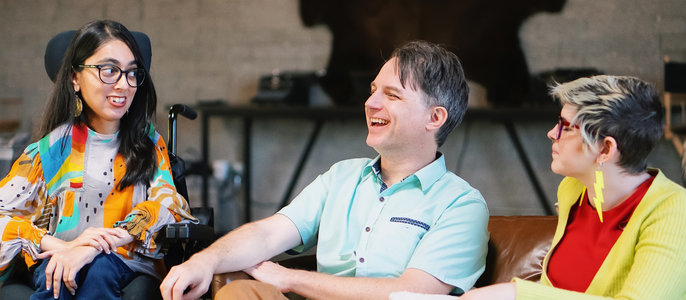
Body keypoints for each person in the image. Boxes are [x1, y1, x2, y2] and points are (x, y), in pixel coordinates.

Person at [160, 40, 489, 300]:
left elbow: (413, 293)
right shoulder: (341, 177)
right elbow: (268, 233)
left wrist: (292, 278)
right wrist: (205, 261)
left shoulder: (461, 205)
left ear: (435, 118)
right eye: (373, 90)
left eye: (392, 95)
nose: (371, 103)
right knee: (238, 292)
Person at [0, 20, 196, 300]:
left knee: (99, 268)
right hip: (60, 262)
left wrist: (95, 246)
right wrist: (60, 246)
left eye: (132, 73)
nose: (124, 85)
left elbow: (168, 204)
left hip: (126, 264)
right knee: (60, 274)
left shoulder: (147, 144)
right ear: (74, 79)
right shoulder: (50, 150)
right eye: (109, 70)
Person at [461, 75, 686, 300]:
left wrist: (517, 293)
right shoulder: (573, 190)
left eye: (565, 128)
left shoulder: (674, 210)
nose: (551, 133)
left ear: (606, 149)